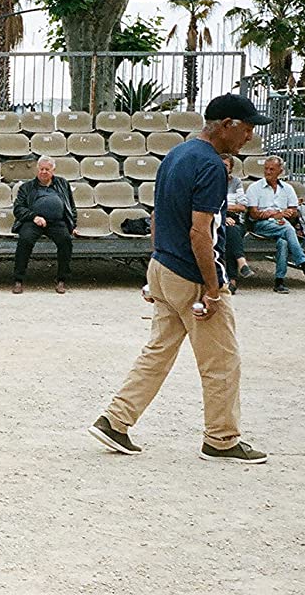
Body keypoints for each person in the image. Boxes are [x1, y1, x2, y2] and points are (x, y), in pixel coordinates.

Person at [89, 93, 271, 464]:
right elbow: (201, 233)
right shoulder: (212, 166)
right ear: (226, 125)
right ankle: (221, 439)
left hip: (164, 266)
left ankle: (115, 420)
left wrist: (157, 262)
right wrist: (213, 288)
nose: (250, 136)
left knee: (157, 352)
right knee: (221, 361)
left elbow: (158, 215)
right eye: (247, 128)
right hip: (191, 273)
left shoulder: (177, 153)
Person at [246, 156, 305, 293]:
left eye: (272, 169)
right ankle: (304, 264)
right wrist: (273, 214)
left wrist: (286, 213)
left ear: (280, 171)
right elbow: (253, 214)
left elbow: (294, 212)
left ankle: (279, 281)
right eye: (266, 169)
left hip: (282, 223)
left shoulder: (288, 189)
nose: (268, 172)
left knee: (283, 242)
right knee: (287, 229)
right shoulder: (255, 188)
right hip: (261, 225)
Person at [11, 156, 76, 294]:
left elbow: (71, 206)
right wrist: (34, 217)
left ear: (53, 170)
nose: (44, 172)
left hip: (57, 222)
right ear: (37, 169)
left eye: (47, 169)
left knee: (65, 241)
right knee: (25, 240)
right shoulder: (26, 187)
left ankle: (61, 280)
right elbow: (18, 209)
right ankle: (18, 280)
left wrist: (72, 225)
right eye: (41, 169)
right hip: (32, 221)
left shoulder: (63, 184)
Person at [218, 153, 255, 292]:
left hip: (234, 219)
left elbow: (243, 206)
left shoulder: (236, 182)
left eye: (226, 165)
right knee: (229, 231)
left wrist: (224, 208)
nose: (223, 168)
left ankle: (231, 279)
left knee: (230, 231)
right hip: (217, 218)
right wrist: (223, 214)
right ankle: (240, 266)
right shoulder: (211, 181)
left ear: (231, 168)